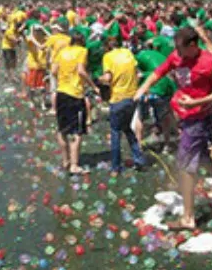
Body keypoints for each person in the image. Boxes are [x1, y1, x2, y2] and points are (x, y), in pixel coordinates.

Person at [134, 27, 212, 229]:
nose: (177, 52)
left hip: (199, 118)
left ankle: (188, 218)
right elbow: (158, 72)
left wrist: (197, 102)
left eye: (180, 48)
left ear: (193, 46)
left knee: (185, 168)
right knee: (204, 159)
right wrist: (143, 87)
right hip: (186, 117)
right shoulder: (176, 56)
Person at [99, 37, 146, 177]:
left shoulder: (107, 57)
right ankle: (139, 159)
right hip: (132, 97)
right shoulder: (128, 53)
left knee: (115, 133)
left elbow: (107, 78)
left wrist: (98, 80)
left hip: (118, 98)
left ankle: (115, 167)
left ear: (107, 47)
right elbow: (138, 74)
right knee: (127, 128)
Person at [52, 32, 92, 175]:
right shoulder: (82, 51)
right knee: (77, 131)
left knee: (62, 130)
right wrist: (93, 86)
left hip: (61, 93)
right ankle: (74, 165)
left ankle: (65, 161)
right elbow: (81, 71)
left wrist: (64, 79)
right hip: (75, 94)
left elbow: (53, 71)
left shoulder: (62, 52)